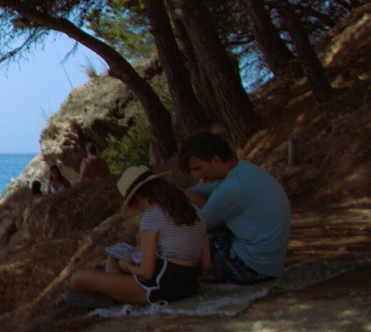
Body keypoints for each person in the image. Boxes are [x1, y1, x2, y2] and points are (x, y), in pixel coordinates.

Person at [66, 166, 206, 306]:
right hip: (190, 283)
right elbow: (206, 264)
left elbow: (146, 273)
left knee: (78, 277)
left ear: (139, 198)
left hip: (161, 287)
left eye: (137, 206)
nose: (140, 209)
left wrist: (128, 267)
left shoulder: (152, 215)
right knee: (112, 260)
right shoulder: (193, 208)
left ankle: (112, 296)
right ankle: (113, 291)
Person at [181, 131, 291, 286]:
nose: (199, 175)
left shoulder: (232, 187)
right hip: (270, 265)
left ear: (216, 160)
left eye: (199, 169)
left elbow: (196, 226)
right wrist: (186, 194)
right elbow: (197, 190)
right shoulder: (243, 171)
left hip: (251, 269)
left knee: (191, 232)